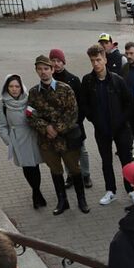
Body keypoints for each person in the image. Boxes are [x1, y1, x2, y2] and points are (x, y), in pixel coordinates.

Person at [27, 55, 89, 215]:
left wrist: (56, 128)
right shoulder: (33, 93)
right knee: (55, 171)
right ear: (36, 71)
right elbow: (30, 115)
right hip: (47, 141)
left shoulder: (65, 89)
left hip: (67, 139)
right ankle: (63, 201)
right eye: (40, 69)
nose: (43, 72)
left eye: (46, 69)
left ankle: (81, 200)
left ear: (52, 70)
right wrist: (46, 128)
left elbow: (72, 113)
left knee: (75, 169)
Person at [78, 45, 134, 207]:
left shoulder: (117, 80)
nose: (96, 64)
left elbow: (129, 103)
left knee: (126, 160)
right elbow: (84, 104)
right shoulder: (88, 81)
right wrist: (94, 119)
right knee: (106, 161)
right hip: (101, 129)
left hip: (121, 129)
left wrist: (121, 121)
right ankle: (111, 191)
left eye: (98, 60)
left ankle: (130, 189)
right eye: (92, 60)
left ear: (105, 59)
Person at [0, 74, 46, 209]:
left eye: (17, 86)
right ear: (6, 87)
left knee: (35, 166)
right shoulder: (2, 103)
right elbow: (1, 125)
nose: (14, 89)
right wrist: (9, 141)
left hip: (32, 136)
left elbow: (38, 115)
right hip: (17, 139)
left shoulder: (29, 99)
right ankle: (36, 192)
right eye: (11, 86)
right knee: (27, 166)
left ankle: (36, 192)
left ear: (21, 87)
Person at [49, 48, 92, 190]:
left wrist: (77, 121)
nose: (56, 64)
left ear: (63, 62)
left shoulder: (73, 80)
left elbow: (82, 103)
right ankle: (71, 175)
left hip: (74, 124)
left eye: (58, 61)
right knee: (64, 151)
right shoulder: (49, 81)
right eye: (53, 61)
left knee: (82, 150)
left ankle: (85, 175)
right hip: (58, 127)